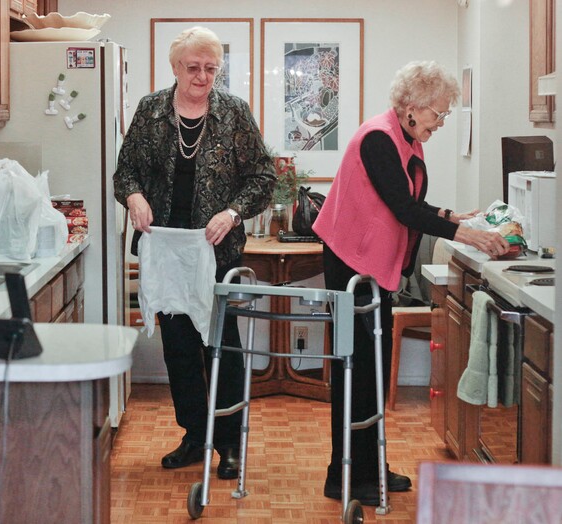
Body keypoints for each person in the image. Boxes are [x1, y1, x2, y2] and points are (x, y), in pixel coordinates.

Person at [312, 60, 509, 505]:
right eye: (438, 114)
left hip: (370, 267)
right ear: (413, 107)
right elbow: (402, 208)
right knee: (357, 372)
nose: (441, 123)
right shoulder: (378, 139)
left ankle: (369, 467)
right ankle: (342, 475)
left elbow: (410, 202)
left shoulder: (404, 139)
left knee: (373, 371)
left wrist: (449, 217)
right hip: (350, 265)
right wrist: (465, 233)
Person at [113, 26, 276, 480]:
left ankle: (229, 443)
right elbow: (124, 172)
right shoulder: (150, 111)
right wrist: (134, 198)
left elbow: (263, 179)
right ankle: (193, 435)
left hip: (217, 254)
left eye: (211, 68)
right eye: (194, 67)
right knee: (179, 350)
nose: (203, 76)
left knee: (221, 348)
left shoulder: (234, 114)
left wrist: (232, 212)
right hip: (166, 253)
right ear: (175, 68)